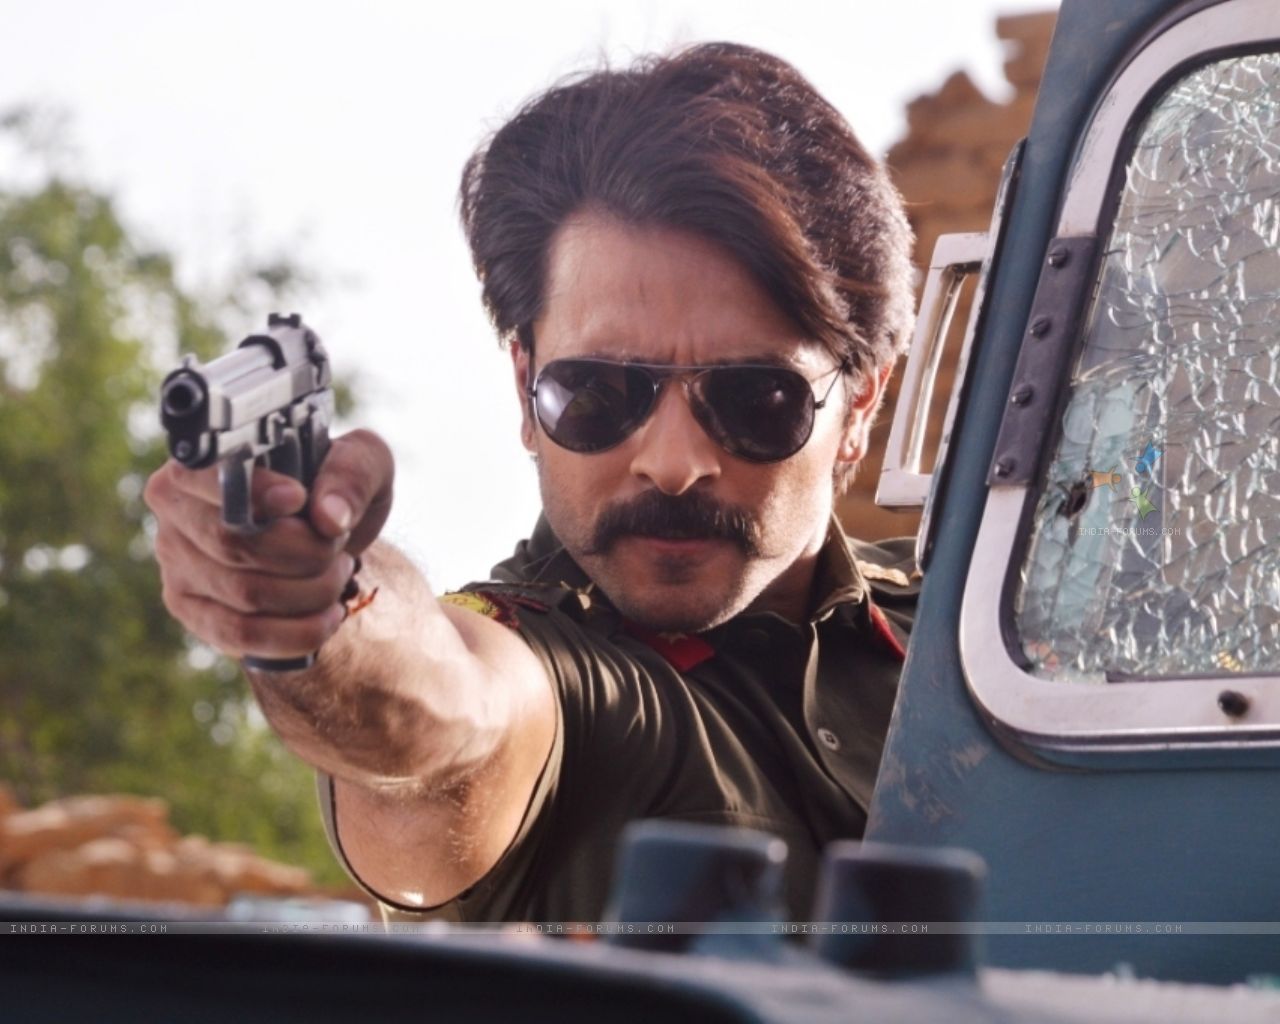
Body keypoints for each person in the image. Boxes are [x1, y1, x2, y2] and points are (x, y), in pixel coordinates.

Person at [144, 41, 920, 923]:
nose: (672, 463)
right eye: (599, 393)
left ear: (862, 400)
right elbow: (439, 709)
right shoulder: (552, 676)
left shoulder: (983, 636)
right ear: (525, 388)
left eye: (754, 400)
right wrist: (326, 604)